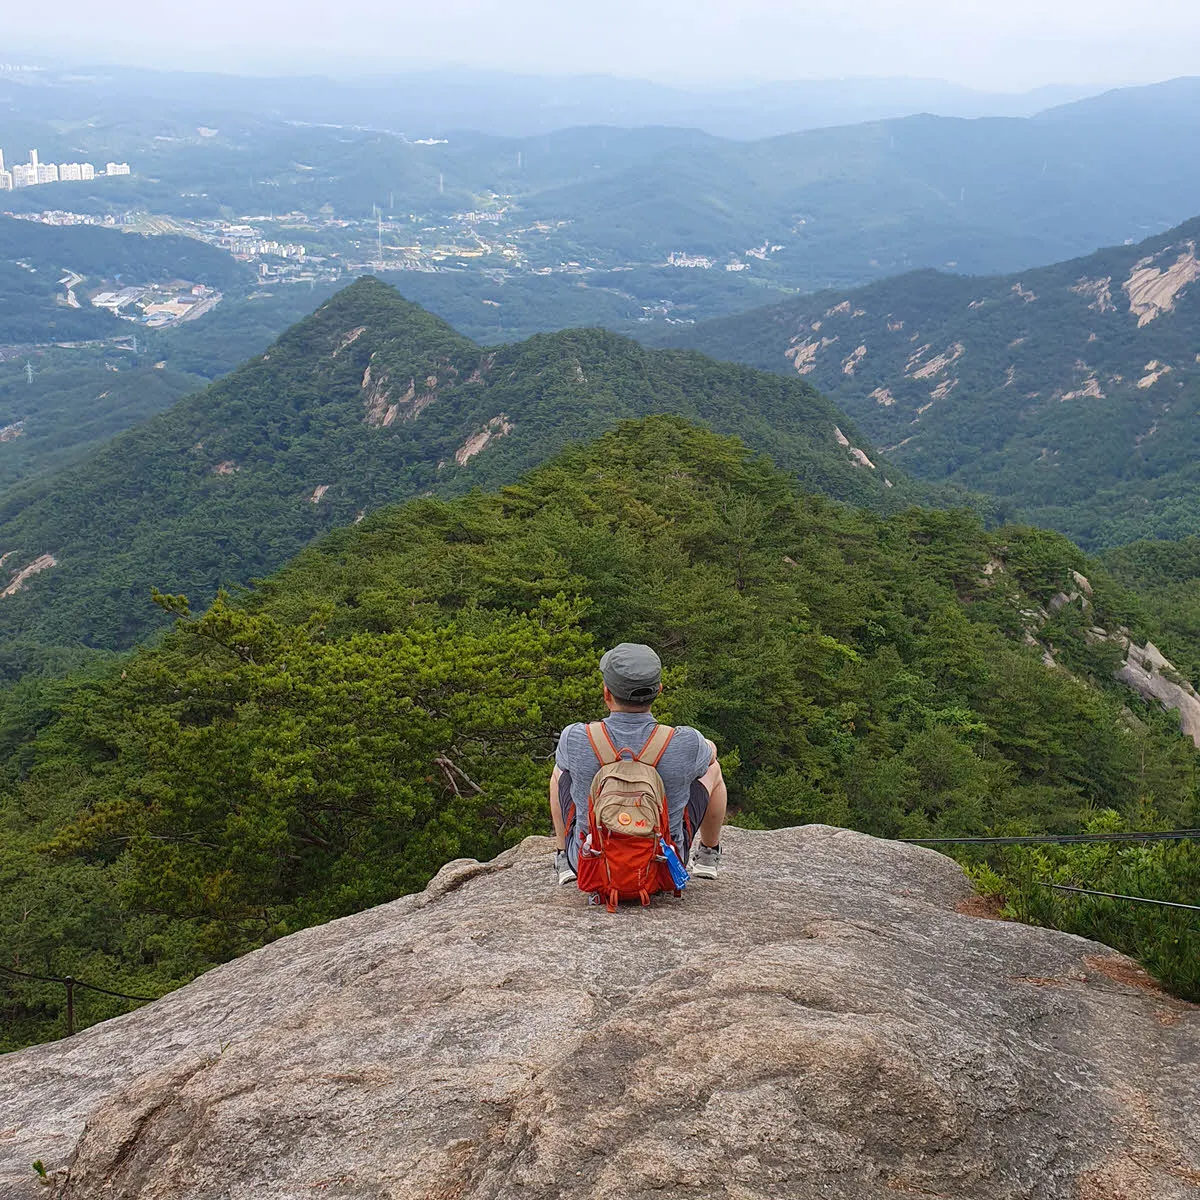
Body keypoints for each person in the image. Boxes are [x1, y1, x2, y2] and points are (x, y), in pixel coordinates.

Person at [549, 642, 727, 886]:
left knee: (560, 771)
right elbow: (711, 757)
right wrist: (706, 745)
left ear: (606, 693)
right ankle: (707, 856)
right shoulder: (686, 741)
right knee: (713, 769)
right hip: (663, 867)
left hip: (590, 865)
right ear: (659, 690)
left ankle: (563, 859)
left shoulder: (575, 737)